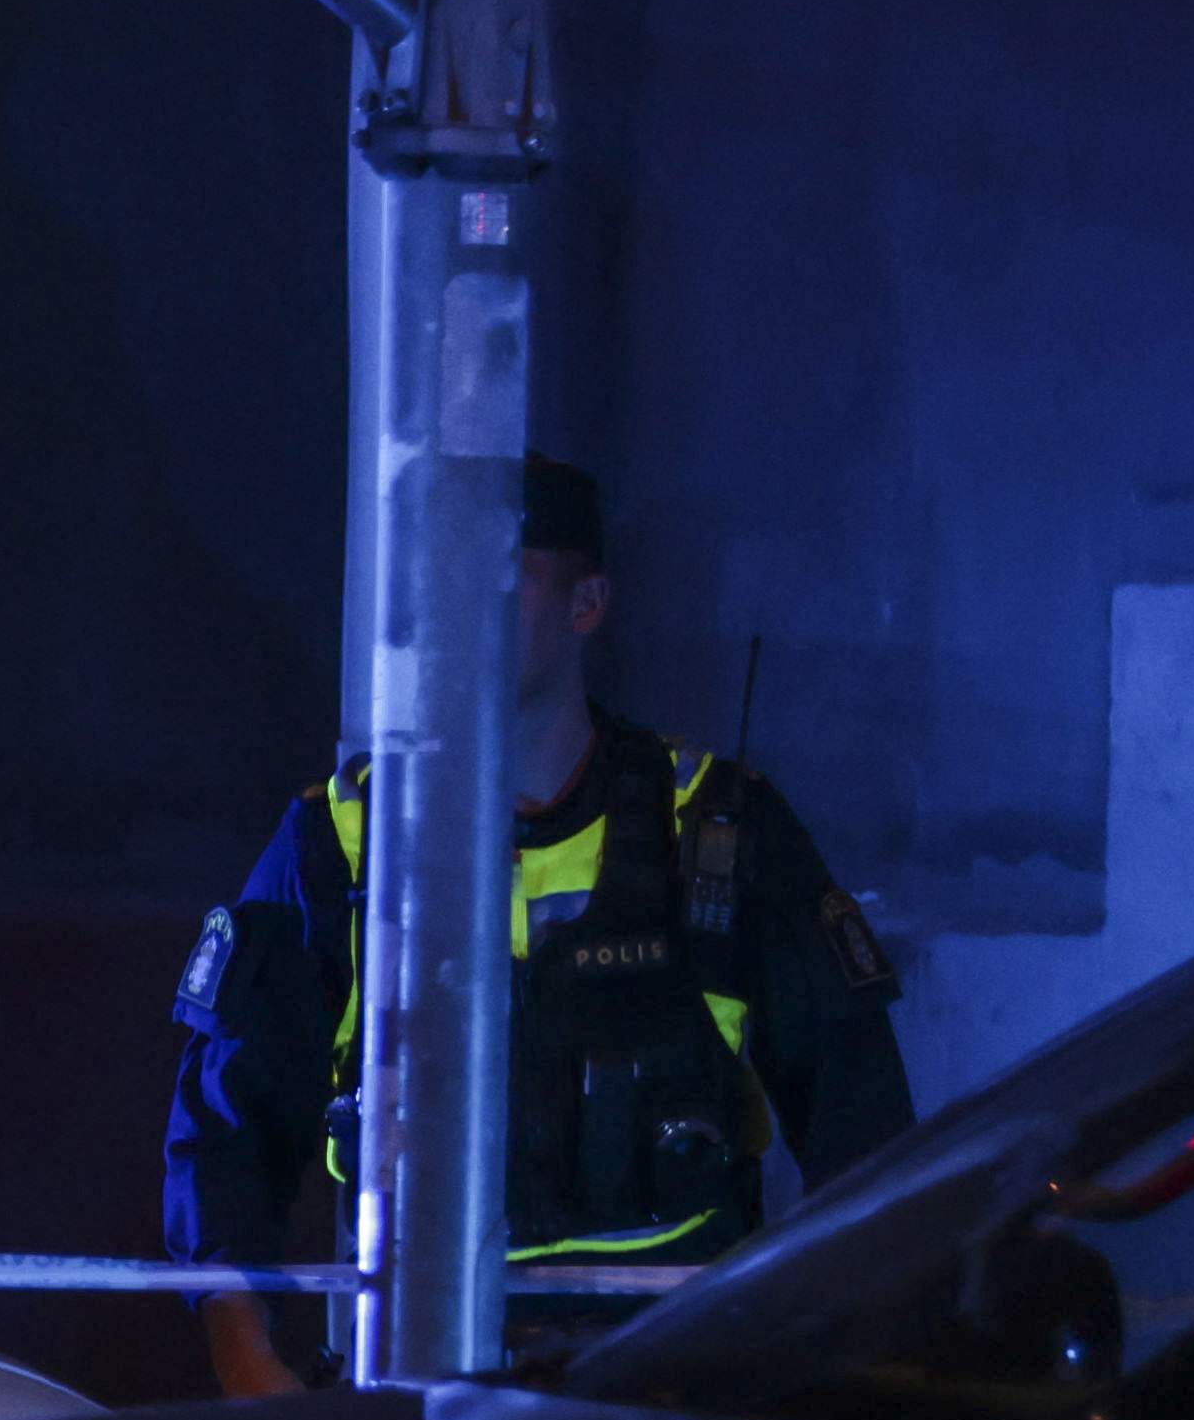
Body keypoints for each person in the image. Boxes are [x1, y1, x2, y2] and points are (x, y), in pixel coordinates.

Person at [165, 455, 910, 1366]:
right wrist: (246, 1353)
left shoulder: (716, 827)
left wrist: (865, 1352)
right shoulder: (345, 838)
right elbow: (227, 1131)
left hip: (674, 1371)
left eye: (497, 575)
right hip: (426, 1372)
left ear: (586, 602)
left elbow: (862, 1122)